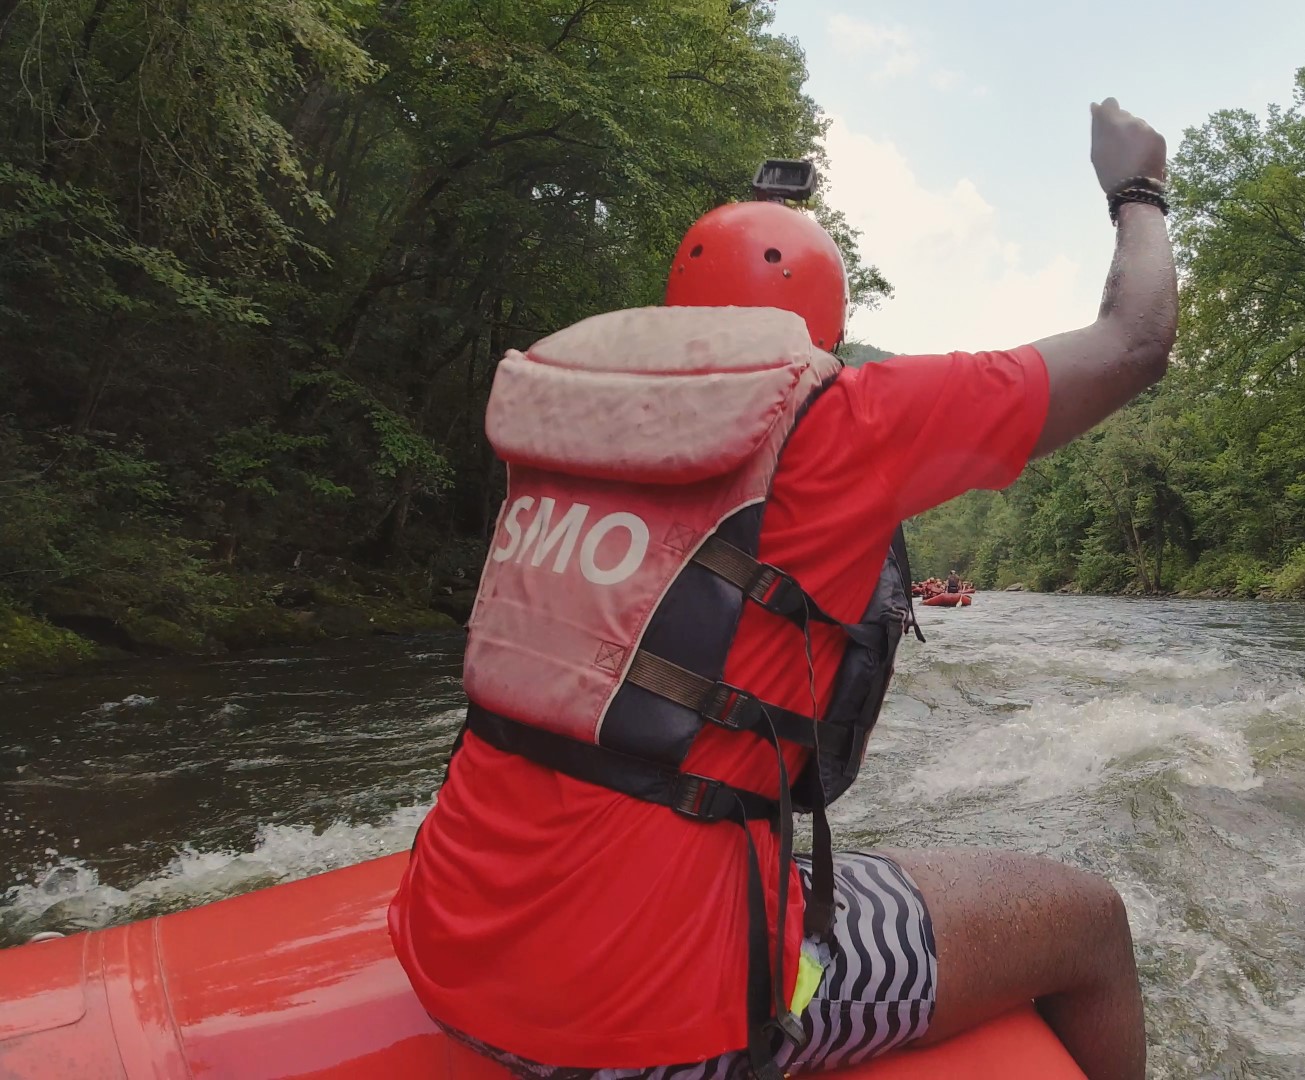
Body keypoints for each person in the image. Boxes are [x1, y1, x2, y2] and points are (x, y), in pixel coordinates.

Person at [388, 98, 1175, 1080]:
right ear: (825, 330)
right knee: (1088, 921)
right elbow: (1137, 339)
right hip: (653, 1025)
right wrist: (1136, 187)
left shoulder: (560, 420)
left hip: (442, 946)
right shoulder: (840, 420)